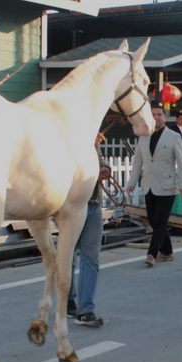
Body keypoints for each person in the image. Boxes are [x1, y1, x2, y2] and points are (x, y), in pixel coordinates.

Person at [127, 103, 182, 267]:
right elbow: (138, 161)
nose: (156, 117)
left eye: (159, 114)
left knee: (161, 221)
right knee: (154, 221)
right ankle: (167, 252)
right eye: (153, 114)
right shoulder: (143, 136)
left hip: (167, 186)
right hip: (148, 184)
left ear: (165, 117)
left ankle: (152, 254)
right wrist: (132, 182)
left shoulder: (173, 136)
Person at [67, 132, 108, 327]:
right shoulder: (67, 137)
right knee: (67, 256)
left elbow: (102, 165)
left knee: (91, 258)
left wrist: (103, 167)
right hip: (71, 206)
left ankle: (86, 309)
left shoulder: (92, 139)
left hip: (93, 204)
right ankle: (68, 300)